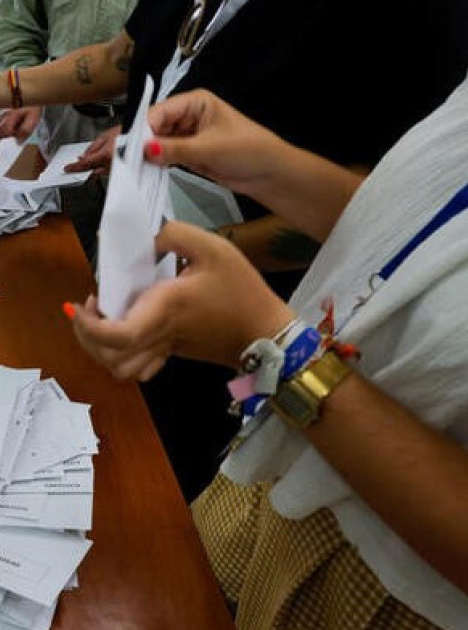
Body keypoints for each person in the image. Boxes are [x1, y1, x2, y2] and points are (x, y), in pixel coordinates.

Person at [0, 0, 468, 500]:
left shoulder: (414, 16)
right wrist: (4, 87)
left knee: (180, 487)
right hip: (180, 299)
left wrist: (215, 266)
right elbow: (131, 53)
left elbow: (389, 205)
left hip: (268, 329)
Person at [69, 84, 468, 628]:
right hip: (275, 474)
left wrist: (280, 354)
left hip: (383, 584)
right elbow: (417, 233)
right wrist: (268, 167)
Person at [0, 0, 136, 155]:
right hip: (63, 126)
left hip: (147, 122)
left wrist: (150, 125)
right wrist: (23, 90)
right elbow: (18, 30)